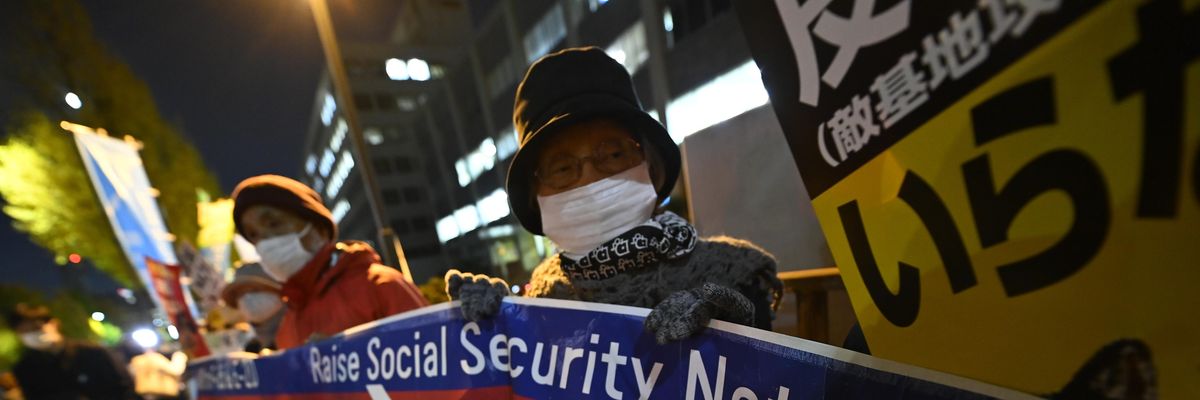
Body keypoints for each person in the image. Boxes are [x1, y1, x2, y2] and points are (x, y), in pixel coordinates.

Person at [447, 47, 782, 343]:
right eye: (562, 169)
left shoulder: (730, 273)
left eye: (614, 155)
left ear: (649, 164)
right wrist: (498, 329)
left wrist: (739, 334)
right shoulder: (542, 301)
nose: (591, 180)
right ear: (536, 194)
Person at [233, 174, 429, 349]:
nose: (265, 241)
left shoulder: (381, 286)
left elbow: (438, 370)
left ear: (318, 228)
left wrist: (353, 361)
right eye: (254, 235)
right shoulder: (289, 320)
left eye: (274, 223)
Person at [6, 303, 137, 399]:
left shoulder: (93, 352)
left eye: (35, 327)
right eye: (24, 331)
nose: (31, 334)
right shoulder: (25, 368)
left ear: (54, 324)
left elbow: (124, 387)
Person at [220, 263, 285, 352]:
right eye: (240, 295)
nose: (247, 299)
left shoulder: (304, 322)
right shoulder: (258, 352)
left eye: (253, 290)